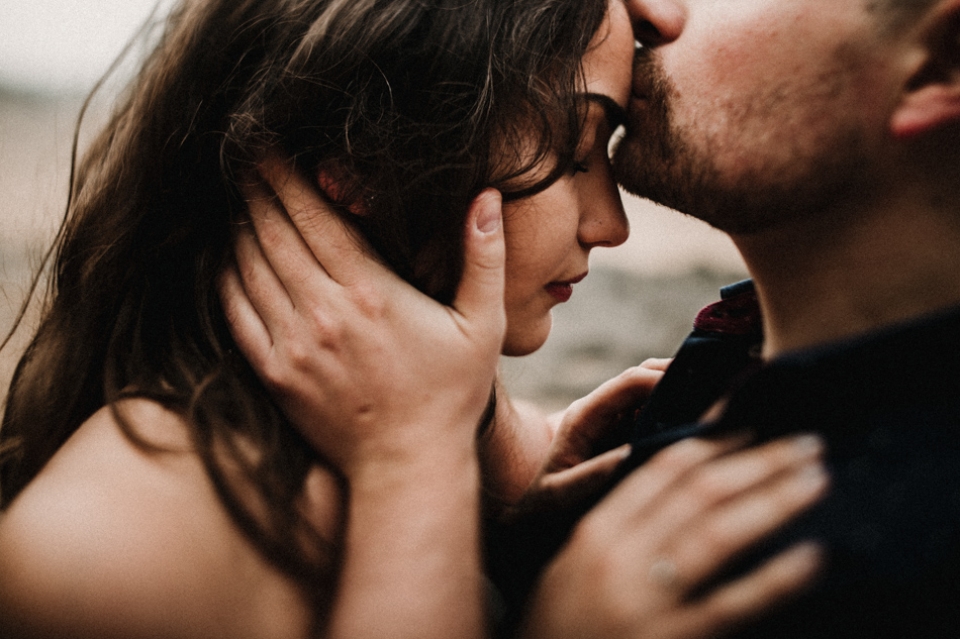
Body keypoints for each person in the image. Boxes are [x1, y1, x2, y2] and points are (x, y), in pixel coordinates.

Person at [0, 0, 829, 638]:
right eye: (575, 151)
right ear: (360, 153)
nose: (608, 225)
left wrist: (491, 508)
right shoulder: (120, 542)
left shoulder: (436, 421)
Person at [215, 0, 960, 637]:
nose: (650, 9)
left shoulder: (878, 553)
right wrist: (500, 542)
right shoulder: (743, 356)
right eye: (575, 150)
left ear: (939, 64)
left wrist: (418, 470)